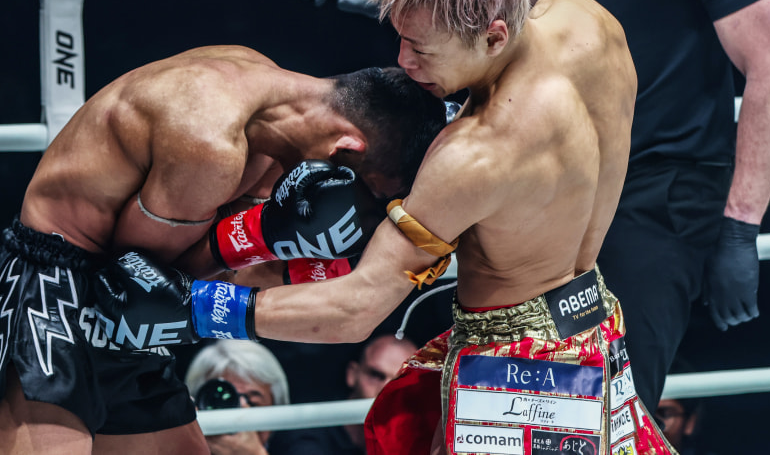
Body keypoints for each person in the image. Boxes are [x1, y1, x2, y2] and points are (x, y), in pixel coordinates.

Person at [94, 0, 678, 454]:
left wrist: (195, 307)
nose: (403, 61)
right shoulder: (586, 19)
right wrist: (423, 6)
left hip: (511, 377)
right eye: (401, 36)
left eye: (422, 48)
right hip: (593, 325)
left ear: (493, 35)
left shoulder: (474, 154)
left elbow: (356, 309)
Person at [300, 0, 770, 417]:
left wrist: (741, 228)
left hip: (663, 190)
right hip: (567, 177)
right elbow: (526, 16)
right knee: (561, 398)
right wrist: (425, 9)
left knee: (619, 398)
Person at [0, 44, 446, 454]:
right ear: (345, 150)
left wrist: (275, 252)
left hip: (124, 311)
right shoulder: (209, 143)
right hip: (57, 291)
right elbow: (140, 284)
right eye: (364, 191)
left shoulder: (259, 83)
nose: (344, 203)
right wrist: (262, 235)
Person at [528, 0, 770, 415]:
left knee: (612, 406)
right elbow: (547, 26)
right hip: (576, 188)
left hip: (664, 194)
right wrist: (446, 10)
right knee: (549, 399)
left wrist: (740, 230)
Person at [282, 334, 417, 454]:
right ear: (352, 374)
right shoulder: (310, 436)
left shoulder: (420, 436)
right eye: (376, 375)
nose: (387, 390)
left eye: (402, 381)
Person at [185, 339, 290, 455]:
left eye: (252, 404)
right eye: (223, 401)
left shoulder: (299, 445)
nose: (238, 417)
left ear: (276, 404)